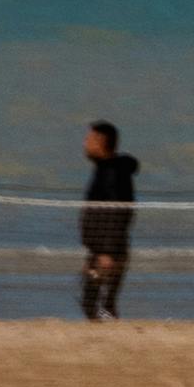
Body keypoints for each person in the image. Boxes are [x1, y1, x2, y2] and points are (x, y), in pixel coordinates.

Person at [76, 119, 138, 321]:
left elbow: (116, 213)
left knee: (102, 303)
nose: (85, 143)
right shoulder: (104, 169)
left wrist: (106, 253)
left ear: (100, 141)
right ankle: (103, 330)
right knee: (92, 300)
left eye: (89, 139)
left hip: (109, 249)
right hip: (100, 248)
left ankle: (109, 330)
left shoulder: (112, 172)